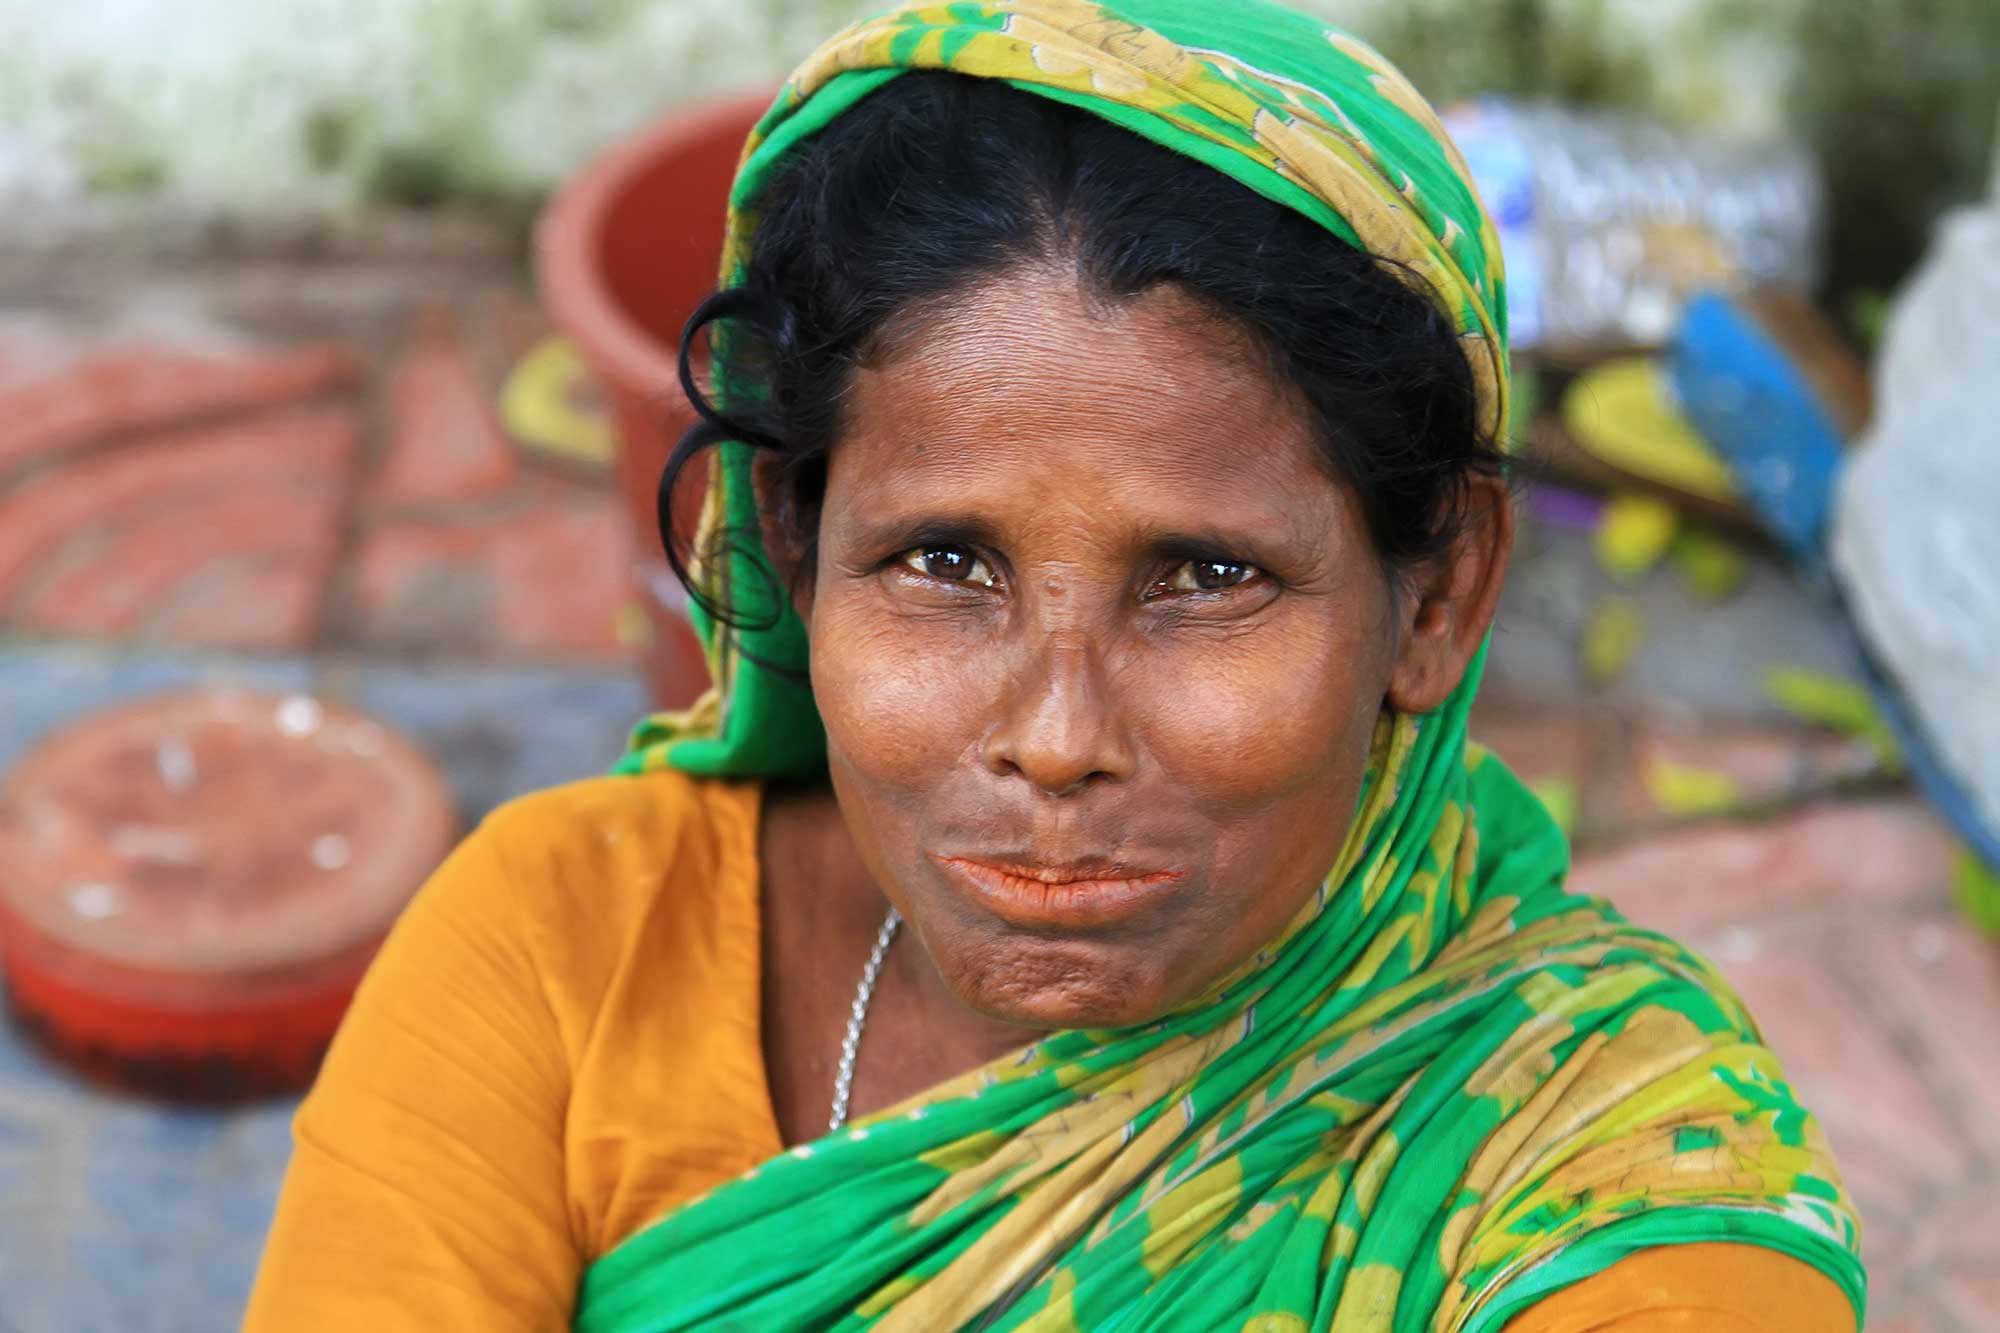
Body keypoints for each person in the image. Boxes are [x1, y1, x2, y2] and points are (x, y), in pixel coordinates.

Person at [246, 2, 1865, 1329]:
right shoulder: (572, 946)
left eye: (1208, 577)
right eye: (943, 563)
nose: (1056, 735)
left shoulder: (1589, 1152)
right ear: (795, 552)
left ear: (1437, 591)